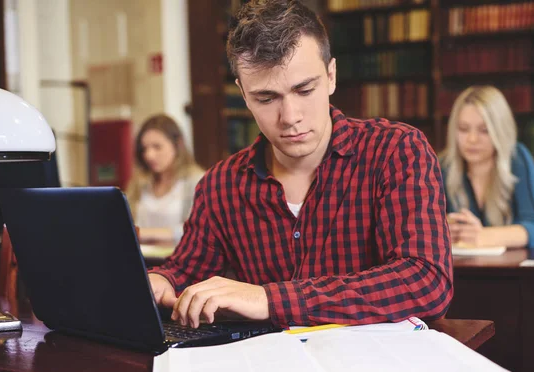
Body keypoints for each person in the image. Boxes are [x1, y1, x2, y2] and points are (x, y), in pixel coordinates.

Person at [148, 0, 453, 328]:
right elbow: (183, 272)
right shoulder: (220, 185)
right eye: (266, 99)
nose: (290, 118)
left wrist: (268, 299)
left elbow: (426, 281)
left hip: (375, 370)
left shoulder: (396, 151)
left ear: (331, 76)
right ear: (243, 94)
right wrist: (160, 282)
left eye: (304, 89)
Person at [440, 85, 534, 249]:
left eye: (484, 130)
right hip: (459, 271)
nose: (472, 139)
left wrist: (483, 236)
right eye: (463, 129)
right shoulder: (443, 166)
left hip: (511, 270)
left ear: (500, 131)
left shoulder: (517, 158)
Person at [126, 114, 204, 244]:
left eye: (157, 147)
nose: (149, 155)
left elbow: (198, 230)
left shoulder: (197, 181)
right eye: (144, 149)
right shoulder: (139, 182)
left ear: (177, 145)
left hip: (180, 261)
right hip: (142, 261)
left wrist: (142, 233)